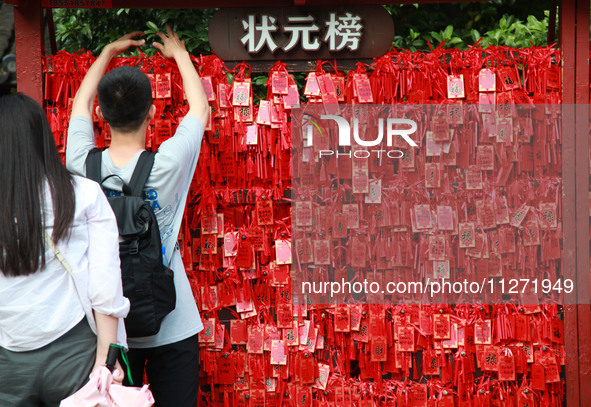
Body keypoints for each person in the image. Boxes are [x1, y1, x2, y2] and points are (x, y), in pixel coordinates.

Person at [66, 27, 208, 407]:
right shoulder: (167, 164)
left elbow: (77, 107)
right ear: (153, 111)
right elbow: (200, 109)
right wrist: (179, 54)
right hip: (173, 324)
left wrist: (106, 54)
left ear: (101, 114)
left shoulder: (81, 163)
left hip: (107, 333)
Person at [0, 94, 130, 406]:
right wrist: (105, 363)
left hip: (7, 356)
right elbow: (105, 285)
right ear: (42, 137)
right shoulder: (82, 194)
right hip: (75, 351)